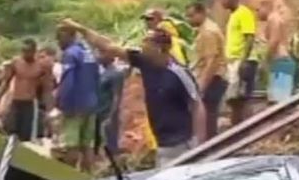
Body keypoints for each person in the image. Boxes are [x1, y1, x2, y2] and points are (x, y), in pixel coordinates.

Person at [62, 19, 206, 168]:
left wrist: (199, 143)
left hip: (183, 144)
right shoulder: (144, 61)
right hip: (162, 143)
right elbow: (109, 47)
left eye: (146, 42)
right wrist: (80, 28)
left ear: (159, 48)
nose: (141, 46)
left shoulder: (179, 73)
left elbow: (197, 104)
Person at [57, 25, 101, 171]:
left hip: (75, 105)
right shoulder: (88, 52)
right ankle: (88, 177)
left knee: (71, 144)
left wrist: (63, 104)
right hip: (91, 103)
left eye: (60, 38)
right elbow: (97, 77)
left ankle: (68, 179)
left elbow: (68, 82)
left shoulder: (70, 54)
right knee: (87, 144)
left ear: (69, 36)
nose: (58, 43)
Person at [0, 39, 53, 142]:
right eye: (23, 50)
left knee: (26, 134)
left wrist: (49, 110)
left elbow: (47, 89)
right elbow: (6, 82)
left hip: (30, 103)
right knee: (9, 130)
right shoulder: (15, 62)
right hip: (15, 101)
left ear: (34, 51)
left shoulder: (41, 66)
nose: (25, 53)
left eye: (28, 51)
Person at [186, 1, 227, 138]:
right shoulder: (207, 29)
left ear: (202, 13)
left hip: (213, 78)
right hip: (213, 77)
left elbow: (212, 61)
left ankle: (210, 147)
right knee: (209, 114)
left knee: (208, 115)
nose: (189, 19)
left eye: (191, 16)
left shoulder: (208, 32)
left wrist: (202, 84)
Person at [220, 0, 258, 125]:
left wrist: (243, 60)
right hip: (234, 62)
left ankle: (245, 131)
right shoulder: (233, 15)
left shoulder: (244, 13)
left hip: (242, 61)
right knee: (233, 99)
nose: (222, 2)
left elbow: (249, 37)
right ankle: (237, 130)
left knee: (242, 98)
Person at [95, 60, 126, 157]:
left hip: (108, 111)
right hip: (97, 111)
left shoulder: (116, 74)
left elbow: (117, 96)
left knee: (110, 142)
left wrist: (111, 114)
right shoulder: (100, 72)